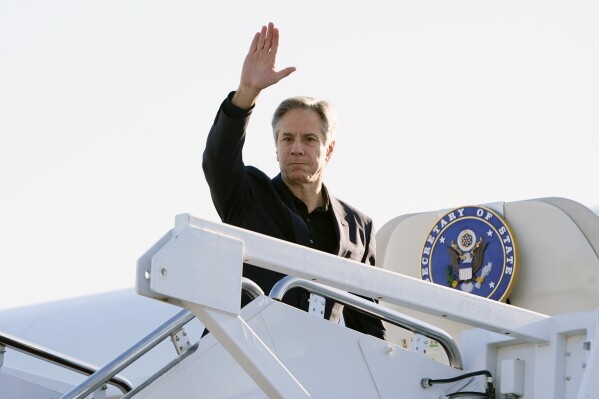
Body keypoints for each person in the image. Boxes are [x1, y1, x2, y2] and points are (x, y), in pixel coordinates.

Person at [202, 22, 385, 340]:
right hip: (247, 362)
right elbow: (218, 161)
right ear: (276, 147)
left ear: (329, 150)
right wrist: (247, 93)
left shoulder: (359, 227)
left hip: (314, 368)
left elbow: (367, 321)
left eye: (309, 139)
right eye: (287, 138)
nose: (296, 149)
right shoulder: (248, 198)